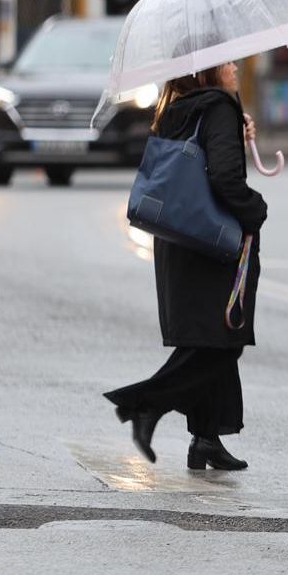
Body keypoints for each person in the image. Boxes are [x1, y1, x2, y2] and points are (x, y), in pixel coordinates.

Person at [105, 62, 266, 471]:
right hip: (213, 241)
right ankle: (143, 404)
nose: (235, 67)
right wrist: (255, 209)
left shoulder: (174, 108)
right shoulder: (218, 109)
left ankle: (205, 438)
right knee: (221, 340)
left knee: (208, 339)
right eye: (227, 62)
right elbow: (225, 179)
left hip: (179, 236)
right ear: (207, 70)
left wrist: (235, 132)